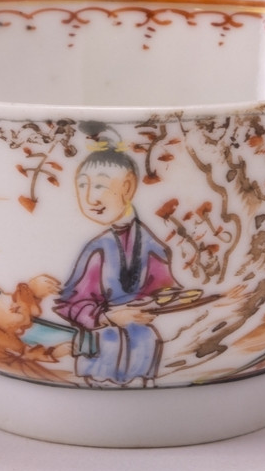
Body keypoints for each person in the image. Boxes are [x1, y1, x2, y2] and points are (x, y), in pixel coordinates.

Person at [54, 138, 181, 387]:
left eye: (100, 185)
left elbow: (165, 290)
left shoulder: (151, 245)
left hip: (141, 344)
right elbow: (70, 304)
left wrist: (162, 301)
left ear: (128, 187)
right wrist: (107, 317)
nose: (90, 198)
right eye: (82, 185)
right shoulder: (96, 249)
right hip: (102, 345)